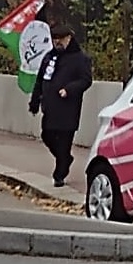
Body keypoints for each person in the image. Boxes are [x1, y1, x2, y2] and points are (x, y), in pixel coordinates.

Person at [30, 25, 93, 188]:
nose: (57, 42)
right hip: (50, 107)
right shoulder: (49, 57)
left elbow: (86, 80)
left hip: (68, 109)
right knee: (47, 135)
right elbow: (40, 80)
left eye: (60, 39)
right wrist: (35, 101)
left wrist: (69, 89)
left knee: (65, 142)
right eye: (54, 39)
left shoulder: (80, 58)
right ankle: (65, 159)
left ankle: (59, 174)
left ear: (69, 39)